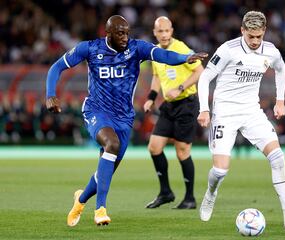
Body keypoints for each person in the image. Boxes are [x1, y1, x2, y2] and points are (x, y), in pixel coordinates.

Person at [45, 15, 207, 227]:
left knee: (107, 168)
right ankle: (100, 209)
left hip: (124, 117)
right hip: (97, 110)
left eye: (127, 33)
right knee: (111, 144)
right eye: (120, 33)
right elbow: (56, 67)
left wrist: (185, 58)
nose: (125, 37)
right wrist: (50, 94)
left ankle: (80, 200)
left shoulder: (136, 48)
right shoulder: (89, 49)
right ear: (108, 33)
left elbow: (163, 55)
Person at [196, 11, 285, 232]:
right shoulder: (228, 50)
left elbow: (281, 69)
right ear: (242, 31)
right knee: (220, 171)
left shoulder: (270, 51)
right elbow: (205, 77)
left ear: (264, 33)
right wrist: (204, 109)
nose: (255, 41)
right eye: (251, 36)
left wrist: (280, 101)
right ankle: (211, 193)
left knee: (278, 156)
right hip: (225, 112)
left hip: (252, 111)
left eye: (259, 36)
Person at [143, 16, 204, 209]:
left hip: (187, 103)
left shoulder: (182, 49)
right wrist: (151, 98)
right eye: (160, 31)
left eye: (166, 30)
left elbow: (200, 71)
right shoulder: (155, 52)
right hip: (169, 106)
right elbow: (156, 77)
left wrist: (179, 87)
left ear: (172, 31)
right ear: (155, 33)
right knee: (154, 147)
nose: (163, 34)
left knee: (182, 151)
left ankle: (190, 198)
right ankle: (166, 192)